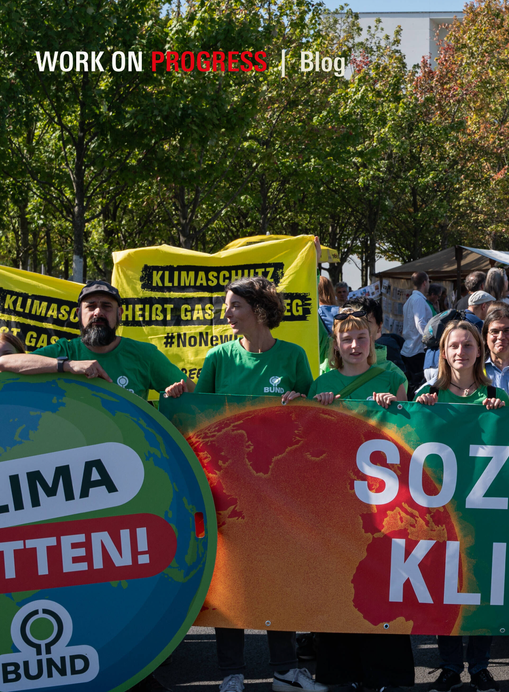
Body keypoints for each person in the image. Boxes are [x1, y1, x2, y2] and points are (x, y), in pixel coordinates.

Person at [194, 277, 321, 692]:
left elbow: (312, 423)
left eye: (233, 306)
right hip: (226, 493)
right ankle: (232, 673)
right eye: (225, 307)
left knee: (276, 578)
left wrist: (302, 403)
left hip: (279, 493)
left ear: (260, 311)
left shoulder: (294, 357)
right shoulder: (217, 358)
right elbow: (199, 422)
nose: (225, 314)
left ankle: (286, 669)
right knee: (229, 582)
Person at [307, 313, 413, 692]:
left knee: (383, 582)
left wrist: (395, 407)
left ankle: (388, 674)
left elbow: (410, 435)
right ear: (336, 343)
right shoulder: (322, 383)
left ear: (374, 339)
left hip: (384, 500)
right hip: (337, 500)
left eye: (361, 338)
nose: (355, 345)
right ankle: (341, 672)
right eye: (347, 339)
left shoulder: (393, 379)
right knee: (340, 581)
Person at [414, 320, 504, 692]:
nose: (461, 352)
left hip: (484, 509)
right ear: (443, 352)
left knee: (480, 586)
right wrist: (418, 409)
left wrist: (501, 412)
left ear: (479, 351)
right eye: (454, 346)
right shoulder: (428, 393)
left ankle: (479, 665)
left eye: (468, 345)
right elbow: (410, 436)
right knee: (443, 587)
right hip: (440, 510)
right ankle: (450, 666)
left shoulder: (495, 393)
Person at [0, 281, 189, 400]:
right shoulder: (64, 351)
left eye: (106, 306)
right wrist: (69, 366)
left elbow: (194, 396)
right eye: (91, 306)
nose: (98, 312)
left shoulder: (145, 355)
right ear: (78, 314)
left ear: (119, 314)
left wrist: (175, 394)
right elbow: (5, 362)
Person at [401, 270, 433, 392]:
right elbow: (420, 323)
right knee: (418, 384)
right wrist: (430, 339)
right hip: (416, 349)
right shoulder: (418, 300)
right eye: (428, 281)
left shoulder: (410, 300)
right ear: (425, 283)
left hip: (410, 347)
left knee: (413, 382)